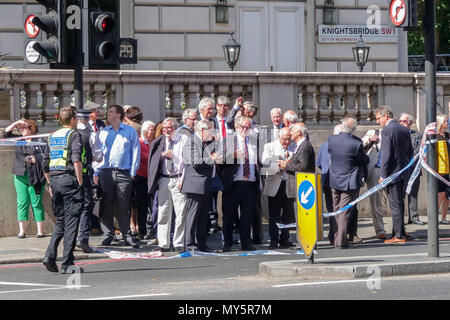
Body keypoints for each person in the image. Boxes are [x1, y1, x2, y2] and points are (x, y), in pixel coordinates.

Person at [42, 106, 84, 274]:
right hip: (69, 181)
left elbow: (45, 162)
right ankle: (67, 263)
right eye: (77, 119)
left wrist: (50, 183)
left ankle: (50, 256)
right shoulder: (73, 135)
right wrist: (79, 181)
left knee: (61, 221)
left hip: (55, 181)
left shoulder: (52, 136)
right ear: (72, 119)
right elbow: (76, 159)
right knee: (72, 222)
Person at [94, 105, 141, 248]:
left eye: (111, 111)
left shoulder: (129, 131)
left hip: (124, 172)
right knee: (106, 204)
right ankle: (108, 234)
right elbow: (97, 154)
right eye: (108, 112)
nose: (108, 114)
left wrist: (133, 172)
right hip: (106, 172)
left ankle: (126, 235)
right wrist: (96, 172)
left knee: (123, 205)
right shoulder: (103, 133)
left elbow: (135, 151)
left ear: (119, 115)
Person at [220, 116, 260, 252]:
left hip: (250, 183)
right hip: (234, 183)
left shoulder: (254, 141)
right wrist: (232, 156)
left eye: (248, 127)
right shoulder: (228, 141)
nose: (245, 129)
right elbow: (219, 161)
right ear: (236, 127)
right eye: (242, 127)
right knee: (229, 215)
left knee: (247, 215)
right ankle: (227, 243)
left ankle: (246, 243)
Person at [328, 115, 369, 249]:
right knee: (345, 212)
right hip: (349, 181)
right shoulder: (356, 143)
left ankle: (336, 238)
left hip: (334, 179)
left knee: (335, 210)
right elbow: (364, 160)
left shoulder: (332, 139)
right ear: (353, 129)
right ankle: (341, 241)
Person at [147, 117, 187, 252]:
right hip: (164, 179)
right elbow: (152, 160)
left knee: (181, 212)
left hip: (178, 178)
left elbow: (186, 162)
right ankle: (163, 243)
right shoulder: (160, 141)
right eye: (164, 128)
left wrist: (183, 178)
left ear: (175, 128)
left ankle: (179, 242)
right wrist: (162, 155)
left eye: (169, 128)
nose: (166, 130)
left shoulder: (183, 140)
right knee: (163, 212)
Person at [2, 119, 47, 239]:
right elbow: (5, 133)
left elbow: (46, 156)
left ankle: (40, 231)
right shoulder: (18, 140)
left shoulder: (40, 140)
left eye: (24, 128)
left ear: (31, 128)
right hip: (20, 176)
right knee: (22, 203)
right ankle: (22, 231)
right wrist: (16, 122)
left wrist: (35, 158)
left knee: (36, 204)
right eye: (20, 128)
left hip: (36, 177)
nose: (21, 130)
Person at [376, 106, 413, 244]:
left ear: (386, 116)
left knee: (395, 205)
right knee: (400, 204)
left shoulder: (387, 130)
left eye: (378, 118)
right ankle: (399, 231)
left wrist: (383, 175)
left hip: (392, 174)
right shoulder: (403, 128)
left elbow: (386, 154)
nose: (378, 121)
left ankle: (399, 236)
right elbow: (410, 151)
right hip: (403, 172)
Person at [182, 120, 220, 252]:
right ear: (202, 130)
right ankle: (190, 245)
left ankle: (201, 244)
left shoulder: (203, 142)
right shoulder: (191, 141)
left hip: (205, 184)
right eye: (210, 131)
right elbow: (195, 161)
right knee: (192, 216)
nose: (212, 134)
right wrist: (212, 159)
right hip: (194, 185)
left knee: (203, 217)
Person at [261, 127, 296, 249]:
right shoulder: (269, 147)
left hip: (290, 183)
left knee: (288, 214)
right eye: (285, 139)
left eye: (289, 139)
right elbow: (265, 165)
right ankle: (273, 240)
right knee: (274, 214)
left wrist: (288, 165)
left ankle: (285, 239)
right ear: (279, 137)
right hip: (275, 183)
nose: (287, 142)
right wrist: (280, 167)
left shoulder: (294, 146)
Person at [75, 109, 102, 253]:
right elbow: (99, 156)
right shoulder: (91, 134)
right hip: (85, 174)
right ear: (87, 119)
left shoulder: (69, 133)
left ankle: (70, 239)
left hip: (69, 175)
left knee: (71, 207)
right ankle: (83, 238)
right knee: (86, 205)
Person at [398, 113, 426, 225]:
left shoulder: (418, 135)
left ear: (410, 123)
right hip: (400, 171)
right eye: (399, 121)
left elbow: (418, 151)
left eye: (403, 121)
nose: (401, 123)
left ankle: (413, 218)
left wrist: (409, 163)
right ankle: (399, 219)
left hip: (414, 169)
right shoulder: (397, 134)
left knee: (413, 194)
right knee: (400, 195)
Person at [361, 126, 388, 239]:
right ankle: (380, 230)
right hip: (376, 169)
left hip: (391, 170)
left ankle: (398, 229)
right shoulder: (373, 131)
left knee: (395, 201)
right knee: (376, 202)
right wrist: (369, 139)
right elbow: (360, 145)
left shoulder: (395, 132)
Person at [317, 124, 341, 244]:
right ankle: (336, 234)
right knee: (338, 209)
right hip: (337, 180)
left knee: (331, 208)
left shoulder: (323, 146)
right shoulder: (341, 145)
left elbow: (319, 164)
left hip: (327, 180)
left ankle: (333, 234)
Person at [134, 120, 156, 239]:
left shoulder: (154, 142)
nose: (152, 132)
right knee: (141, 205)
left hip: (152, 178)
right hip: (141, 177)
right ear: (145, 131)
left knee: (153, 205)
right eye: (151, 129)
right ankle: (142, 231)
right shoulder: (139, 142)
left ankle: (153, 229)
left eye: (153, 129)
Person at [434, 114, 450, 225]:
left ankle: (444, 218)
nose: (447, 123)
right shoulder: (435, 137)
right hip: (439, 171)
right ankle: (434, 217)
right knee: (441, 195)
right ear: (440, 122)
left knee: (447, 196)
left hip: (448, 170)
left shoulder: (448, 136)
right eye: (446, 121)